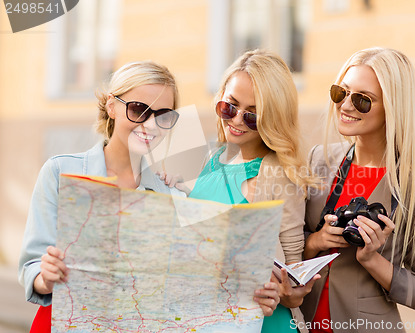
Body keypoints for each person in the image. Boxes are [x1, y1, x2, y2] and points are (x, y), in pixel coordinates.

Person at [18, 60, 278, 332]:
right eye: (139, 109)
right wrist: (44, 277)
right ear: (112, 106)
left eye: (163, 115)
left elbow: (191, 283)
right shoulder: (60, 172)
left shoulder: (172, 195)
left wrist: (252, 298)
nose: (151, 125)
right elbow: (32, 264)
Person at [301, 47, 415, 333]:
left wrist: (373, 261)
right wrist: (316, 242)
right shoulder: (318, 160)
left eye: (363, 100)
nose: (346, 106)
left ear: (394, 107)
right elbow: (287, 246)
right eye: (341, 93)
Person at [171, 49, 319, 333]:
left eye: (252, 115)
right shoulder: (210, 160)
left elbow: (292, 275)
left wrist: (284, 290)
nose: (237, 120)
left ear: (272, 119)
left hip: (262, 324)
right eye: (230, 107)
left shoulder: (279, 174)